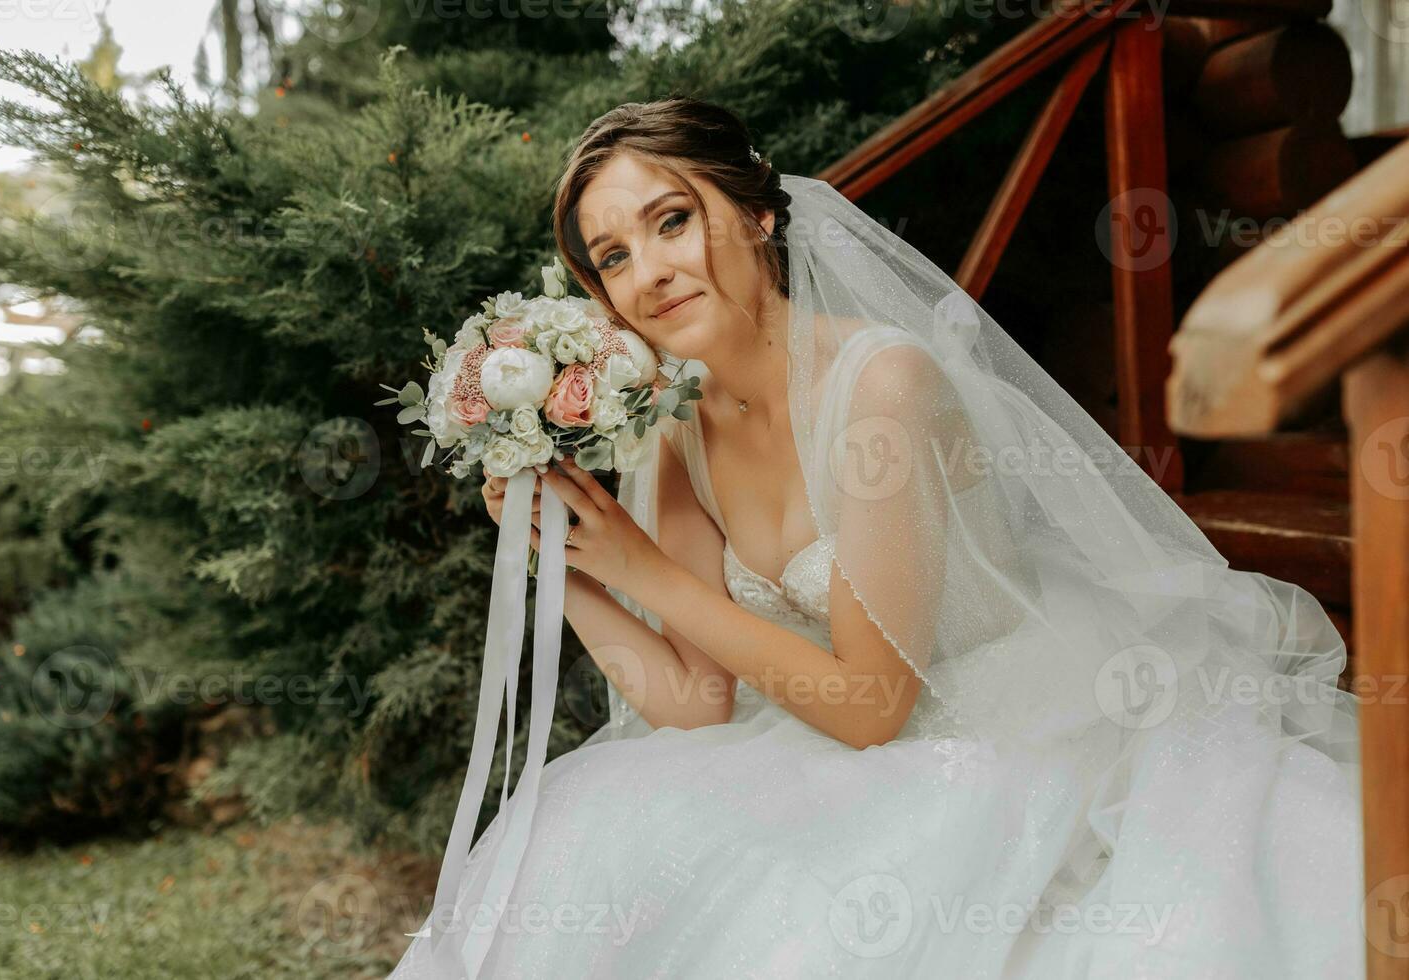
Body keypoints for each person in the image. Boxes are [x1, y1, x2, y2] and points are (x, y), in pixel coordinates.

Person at [389, 97, 1364, 979]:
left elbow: (874, 703)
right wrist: (571, 556)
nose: (647, 272)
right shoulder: (673, 423)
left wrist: (647, 569)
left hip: (990, 721)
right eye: (611, 256)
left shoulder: (881, 386)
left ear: (759, 213)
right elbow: (694, 702)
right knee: (596, 836)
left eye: (670, 220)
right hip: (813, 729)